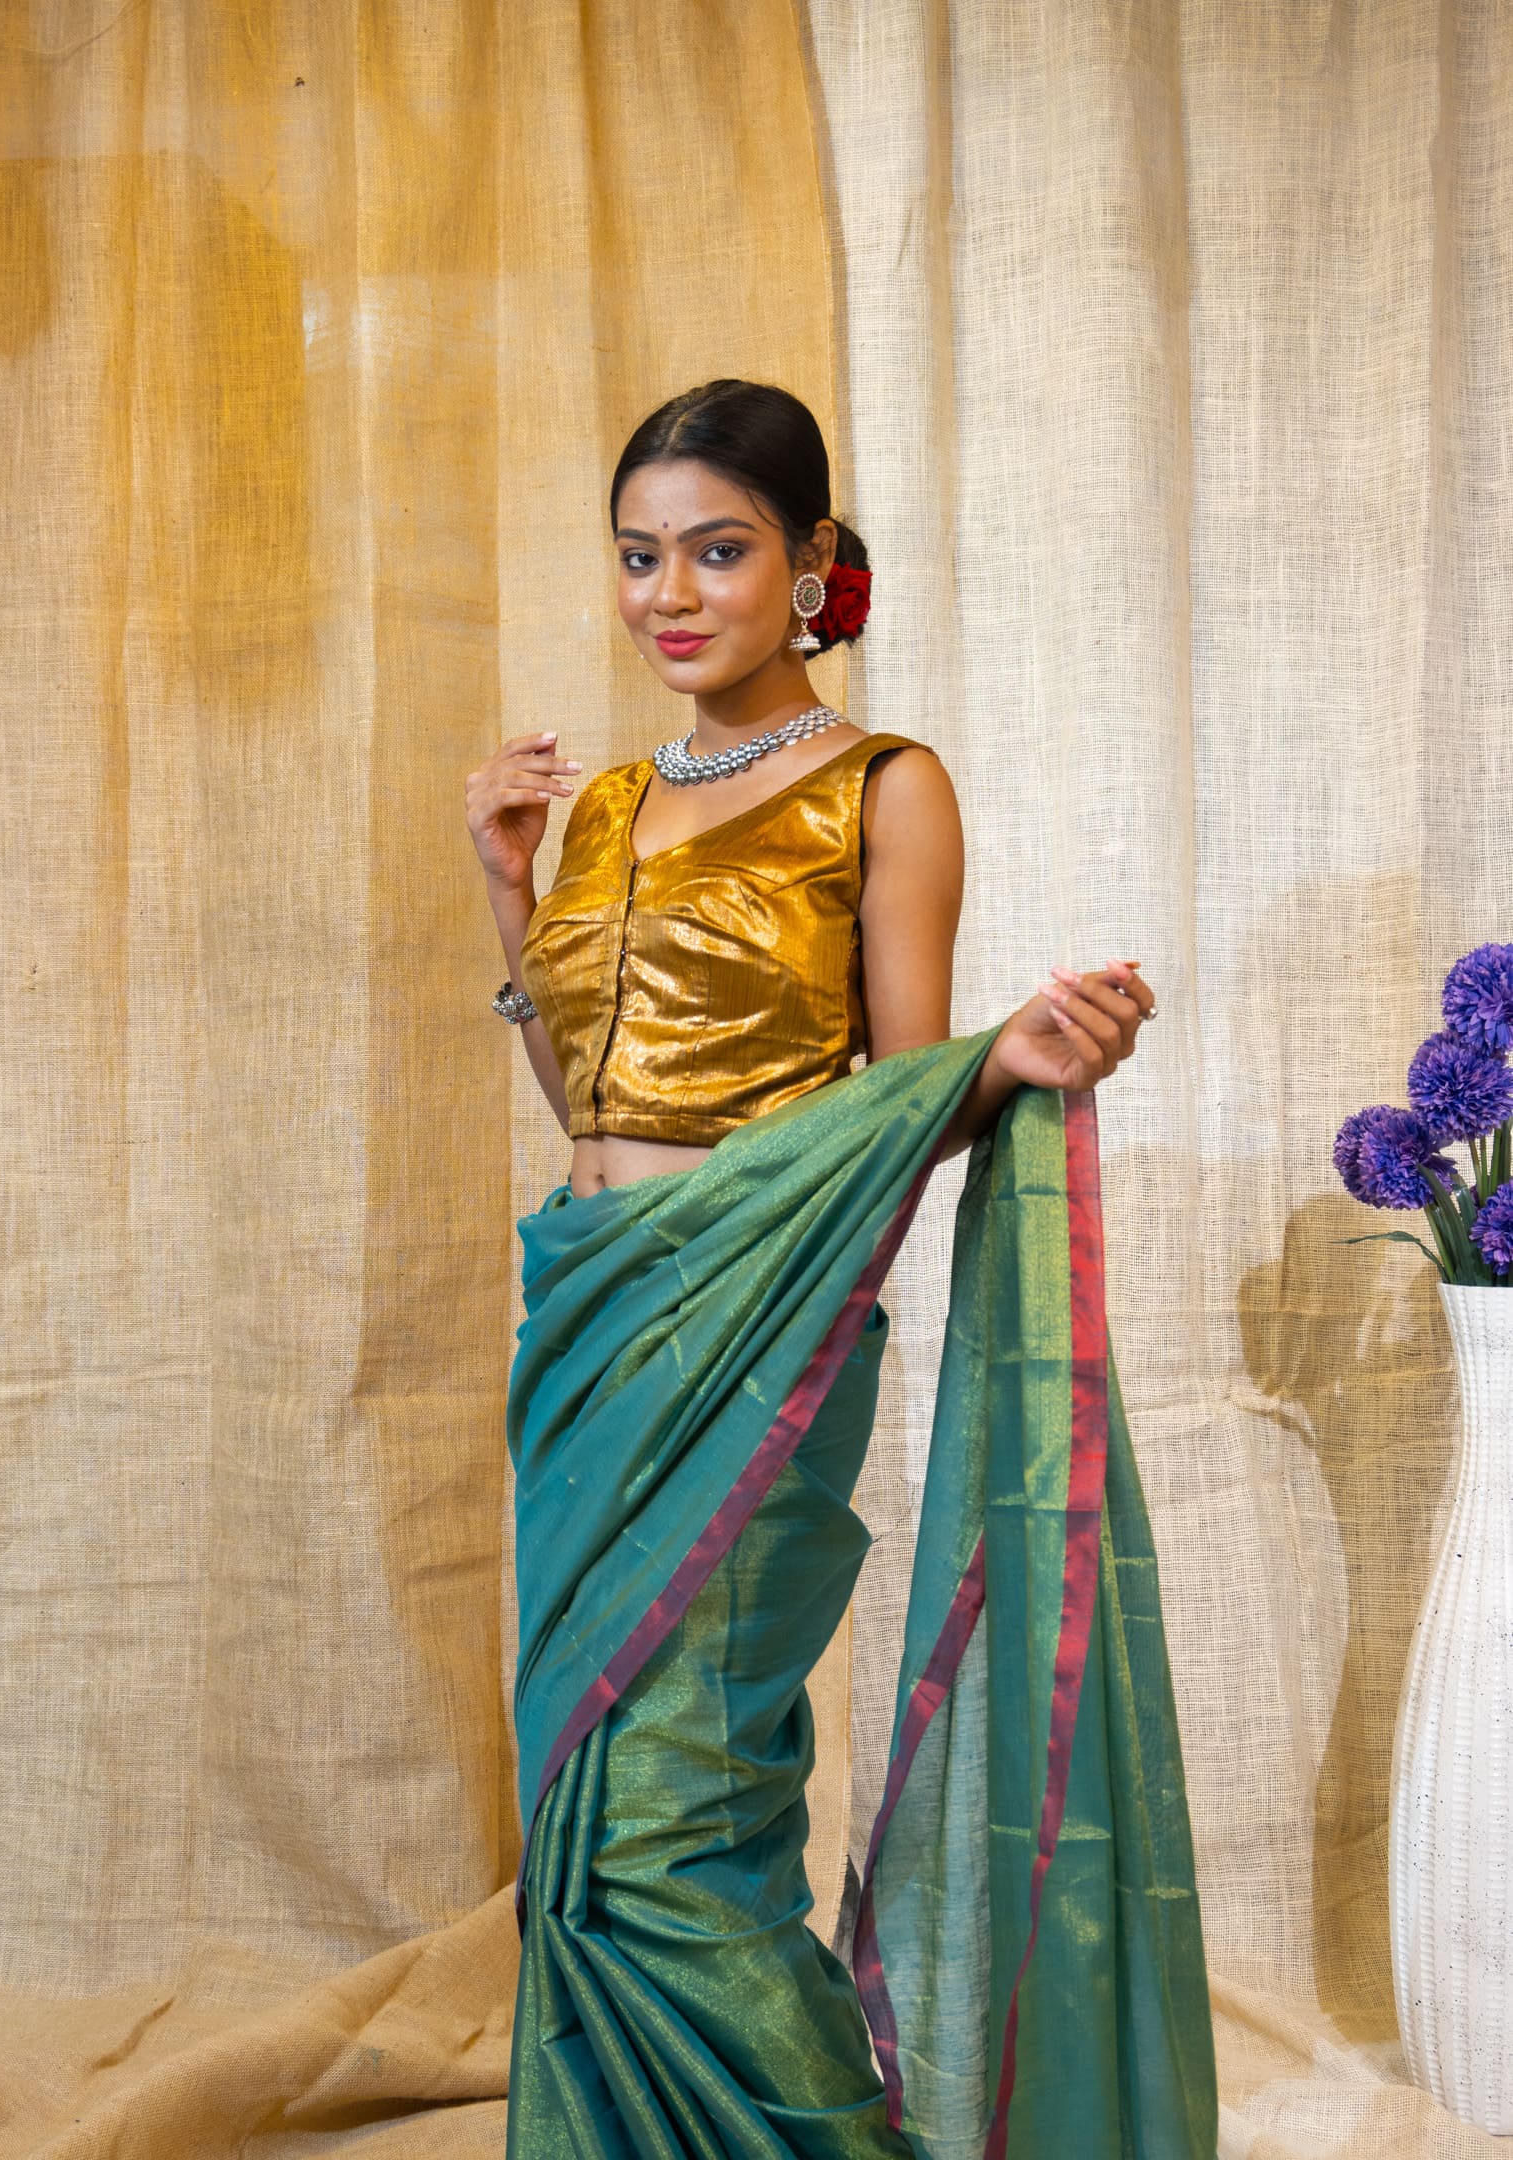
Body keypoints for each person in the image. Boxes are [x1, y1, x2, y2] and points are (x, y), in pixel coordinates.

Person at [464, 379, 1217, 2160]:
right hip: (584, 1315)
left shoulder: (883, 791)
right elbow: (590, 1097)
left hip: (760, 1329)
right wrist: (511, 900)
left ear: (810, 564)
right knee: (586, 1799)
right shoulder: (609, 802)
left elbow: (894, 1105)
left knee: (673, 1813)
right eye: (641, 557)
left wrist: (1001, 1060)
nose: (671, 594)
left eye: (718, 551)